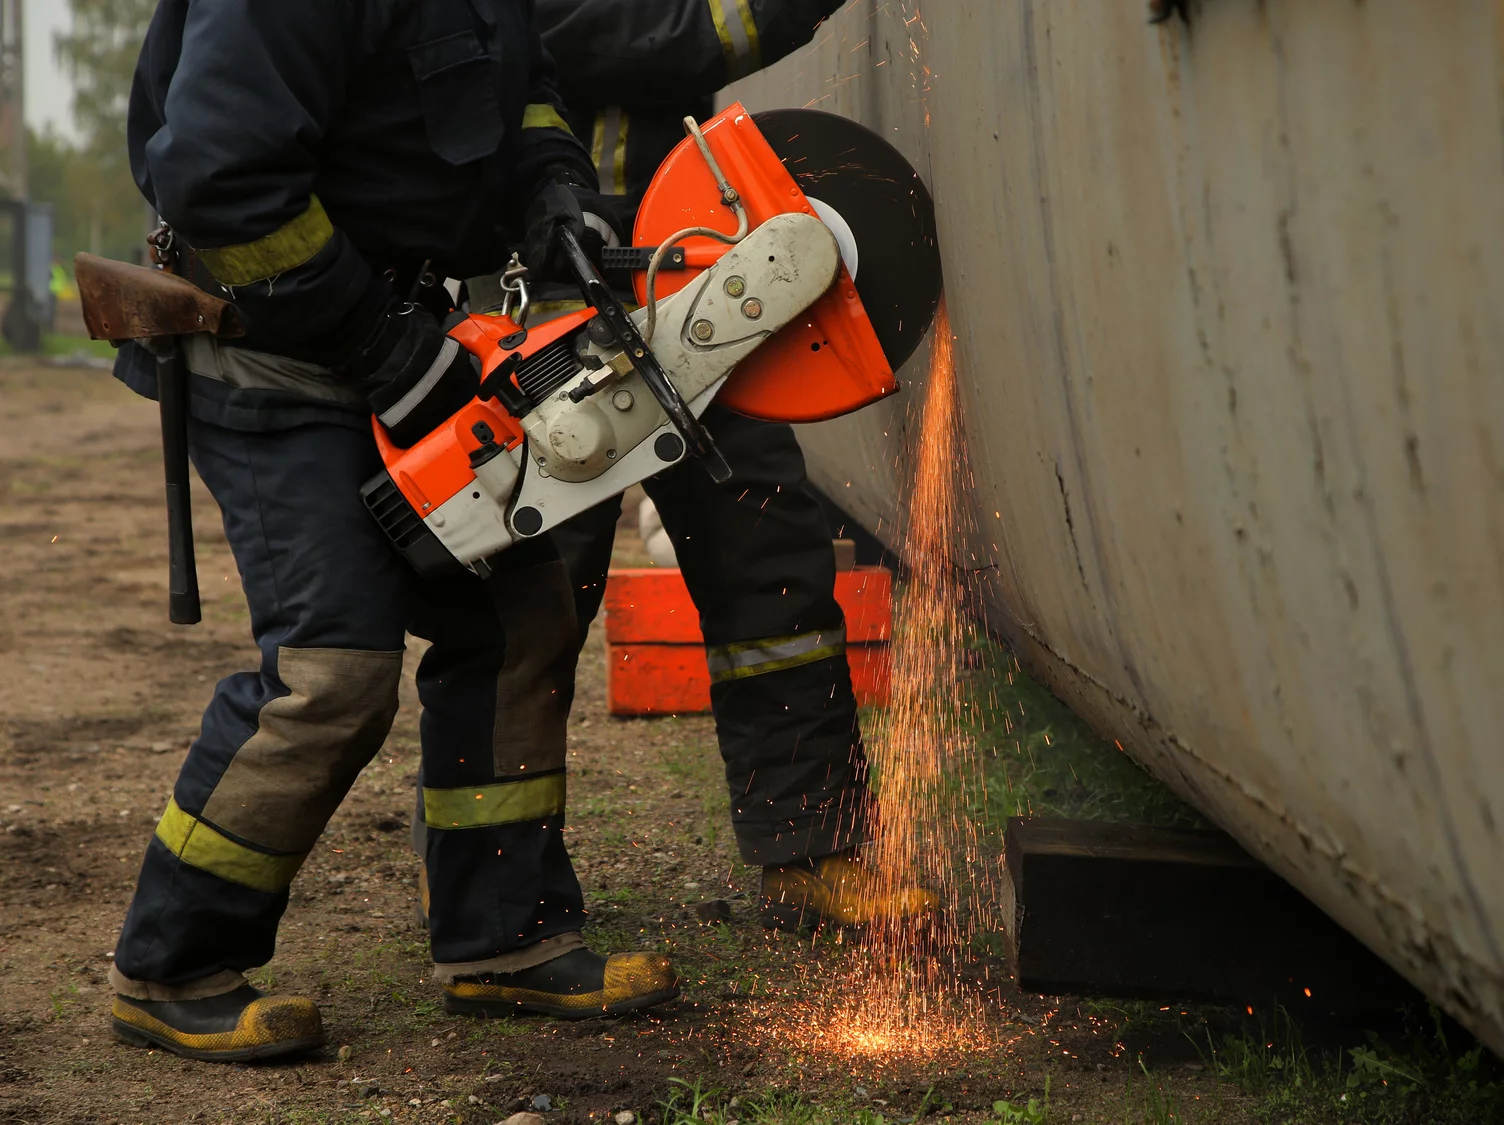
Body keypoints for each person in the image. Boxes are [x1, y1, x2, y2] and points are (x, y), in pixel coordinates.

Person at [107, 0, 677, 1063]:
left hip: (401, 337)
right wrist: (388, 352)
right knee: (333, 671)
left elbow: (527, 84)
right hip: (270, 346)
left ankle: (503, 940)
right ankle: (170, 966)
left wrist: (553, 192)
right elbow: (222, 183)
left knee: (519, 621)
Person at [521, 0, 939, 930]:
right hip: (548, 284)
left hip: (687, 261)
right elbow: (626, 35)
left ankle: (813, 853)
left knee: (771, 564)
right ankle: (497, 884)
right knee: (535, 594)